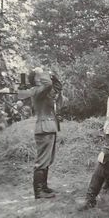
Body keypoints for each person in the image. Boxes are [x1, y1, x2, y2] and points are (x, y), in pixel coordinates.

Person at [29, 67, 65, 199]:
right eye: (40, 76)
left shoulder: (44, 91)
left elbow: (57, 87)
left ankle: (43, 187)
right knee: (42, 161)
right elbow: (49, 84)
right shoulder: (36, 91)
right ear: (35, 79)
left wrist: (52, 75)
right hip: (44, 129)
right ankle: (38, 191)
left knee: (47, 160)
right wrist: (42, 71)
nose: (45, 77)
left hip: (49, 128)